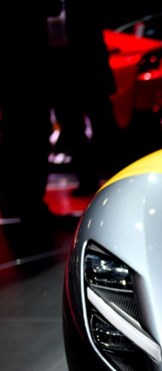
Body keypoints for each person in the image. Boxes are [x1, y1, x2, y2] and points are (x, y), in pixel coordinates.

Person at [49, 0, 122, 196]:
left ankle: (118, 173)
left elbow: (96, 38)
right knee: (72, 129)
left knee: (104, 124)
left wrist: (105, 77)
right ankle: (87, 179)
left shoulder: (82, 6)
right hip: (60, 73)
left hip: (89, 71)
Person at [0, 2, 59, 226]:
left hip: (19, 70)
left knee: (18, 136)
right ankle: (28, 204)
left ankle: (17, 202)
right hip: (28, 69)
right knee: (31, 137)